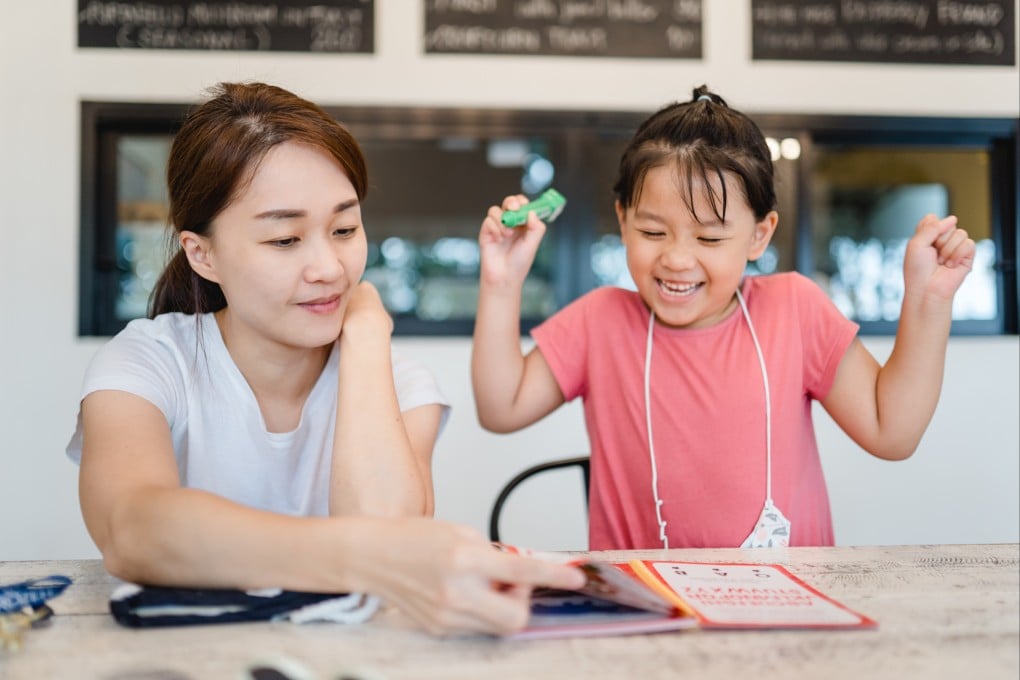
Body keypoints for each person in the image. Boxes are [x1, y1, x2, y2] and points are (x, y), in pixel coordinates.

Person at [66, 81, 584, 636]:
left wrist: (366, 334)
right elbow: (131, 529)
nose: (330, 268)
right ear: (203, 253)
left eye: (344, 229)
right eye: (286, 240)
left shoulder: (401, 384)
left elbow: (388, 529)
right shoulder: (150, 361)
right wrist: (360, 556)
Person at [472, 85, 975, 551]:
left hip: (786, 615)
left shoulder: (794, 309)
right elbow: (501, 407)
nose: (678, 260)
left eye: (710, 239)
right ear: (623, 219)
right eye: (653, 232)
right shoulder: (600, 322)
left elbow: (893, 431)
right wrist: (501, 282)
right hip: (647, 617)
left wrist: (929, 302)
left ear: (760, 234)